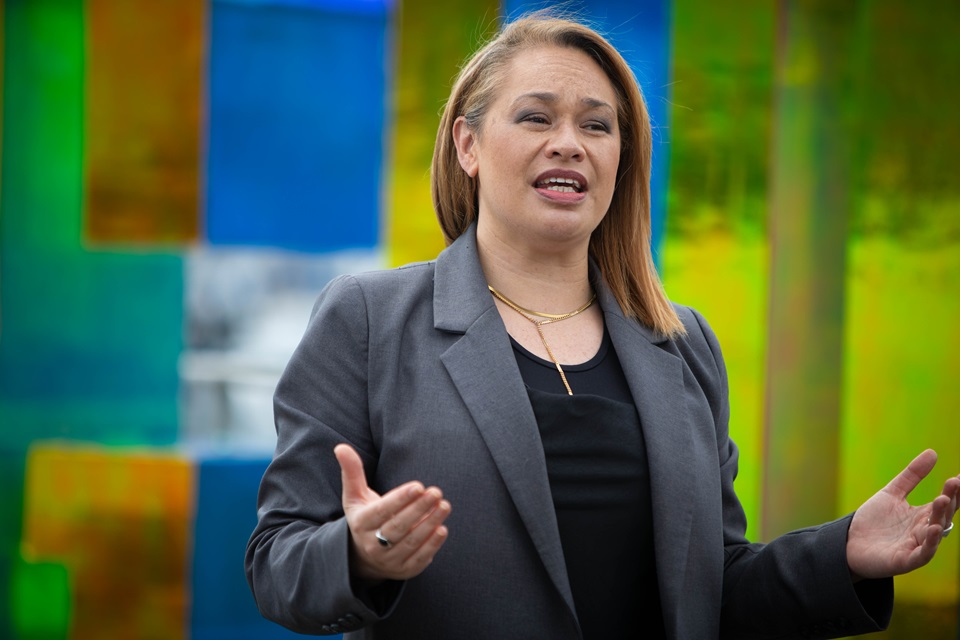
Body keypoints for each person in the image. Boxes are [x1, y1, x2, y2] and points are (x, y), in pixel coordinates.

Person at [245, 12, 959, 639]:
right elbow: (277, 567)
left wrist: (842, 558)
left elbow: (716, 592)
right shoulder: (368, 321)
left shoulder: (683, 346)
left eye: (596, 124)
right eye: (536, 117)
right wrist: (359, 556)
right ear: (467, 145)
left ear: (622, 158)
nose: (570, 143)